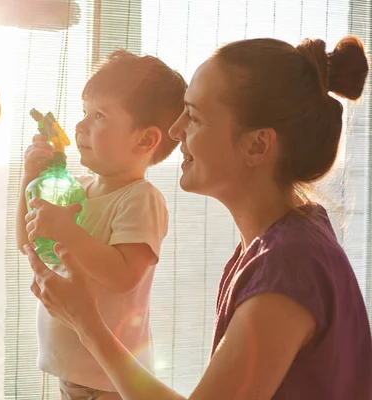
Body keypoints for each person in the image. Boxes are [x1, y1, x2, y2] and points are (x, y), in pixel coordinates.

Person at [26, 36, 372, 400]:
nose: (175, 131)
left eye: (193, 116)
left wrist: (87, 325)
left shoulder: (290, 267)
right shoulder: (275, 248)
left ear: (257, 145)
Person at [17, 50, 187, 399]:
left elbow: (126, 275)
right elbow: (29, 244)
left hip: (109, 384)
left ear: (145, 140)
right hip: (71, 377)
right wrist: (28, 180)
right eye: (84, 113)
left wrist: (67, 232)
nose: (80, 126)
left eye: (99, 116)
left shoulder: (141, 199)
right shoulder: (77, 188)